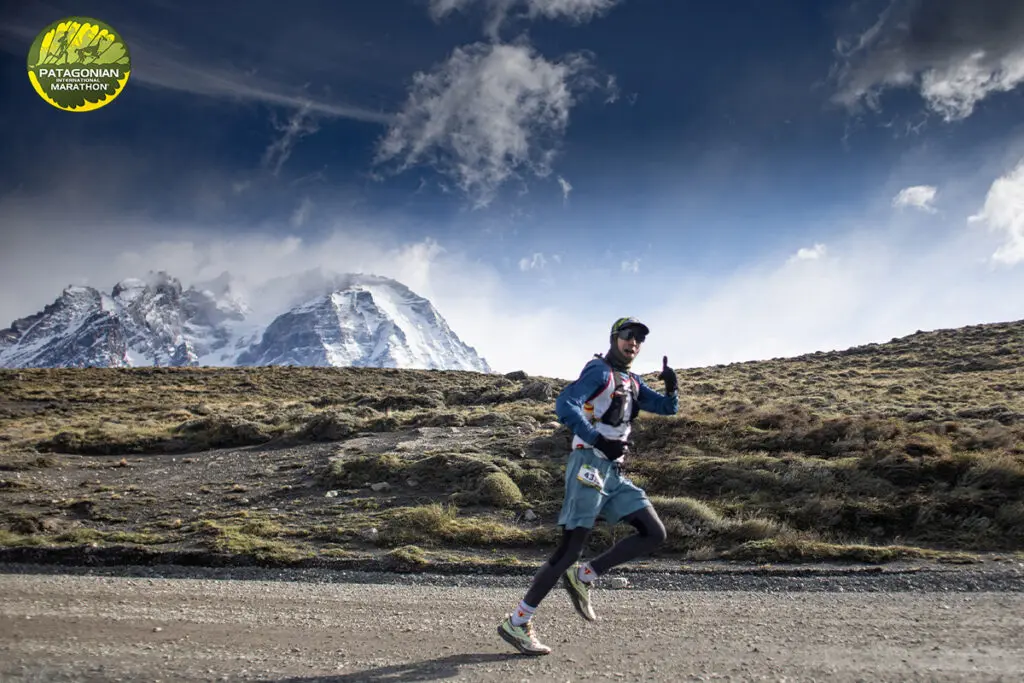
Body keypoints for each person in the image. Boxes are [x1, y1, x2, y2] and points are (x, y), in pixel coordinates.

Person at [497, 316, 679, 656]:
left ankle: (584, 576)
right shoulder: (599, 371)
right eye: (628, 335)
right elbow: (565, 404)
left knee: (654, 533)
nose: (634, 342)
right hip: (588, 466)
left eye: (639, 339)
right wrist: (597, 438)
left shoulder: (633, 381)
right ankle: (518, 622)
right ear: (614, 338)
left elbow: (667, 408)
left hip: (614, 473)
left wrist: (671, 386)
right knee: (570, 549)